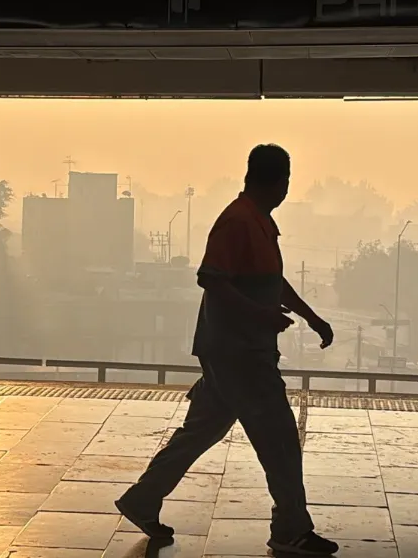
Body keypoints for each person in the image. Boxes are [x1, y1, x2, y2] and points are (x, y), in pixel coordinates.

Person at [115, 144, 338, 556]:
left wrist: (311, 316)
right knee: (281, 439)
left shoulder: (259, 222)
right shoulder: (238, 222)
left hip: (234, 350)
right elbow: (211, 279)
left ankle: (142, 500)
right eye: (285, 182)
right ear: (278, 181)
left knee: (201, 430)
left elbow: (273, 282)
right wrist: (261, 317)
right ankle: (290, 528)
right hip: (241, 353)